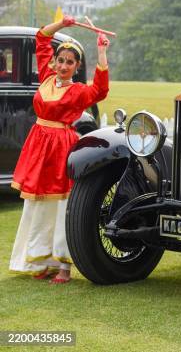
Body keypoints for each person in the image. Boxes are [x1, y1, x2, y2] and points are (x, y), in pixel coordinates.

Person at [9, 15, 110, 284]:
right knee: (38, 204)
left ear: (77, 67)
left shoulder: (77, 91)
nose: (63, 65)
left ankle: (64, 267)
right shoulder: (46, 78)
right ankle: (42, 261)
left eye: (69, 62)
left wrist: (101, 50)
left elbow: (100, 90)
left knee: (62, 204)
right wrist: (62, 26)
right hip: (39, 144)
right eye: (60, 60)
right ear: (55, 62)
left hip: (61, 147)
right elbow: (41, 38)